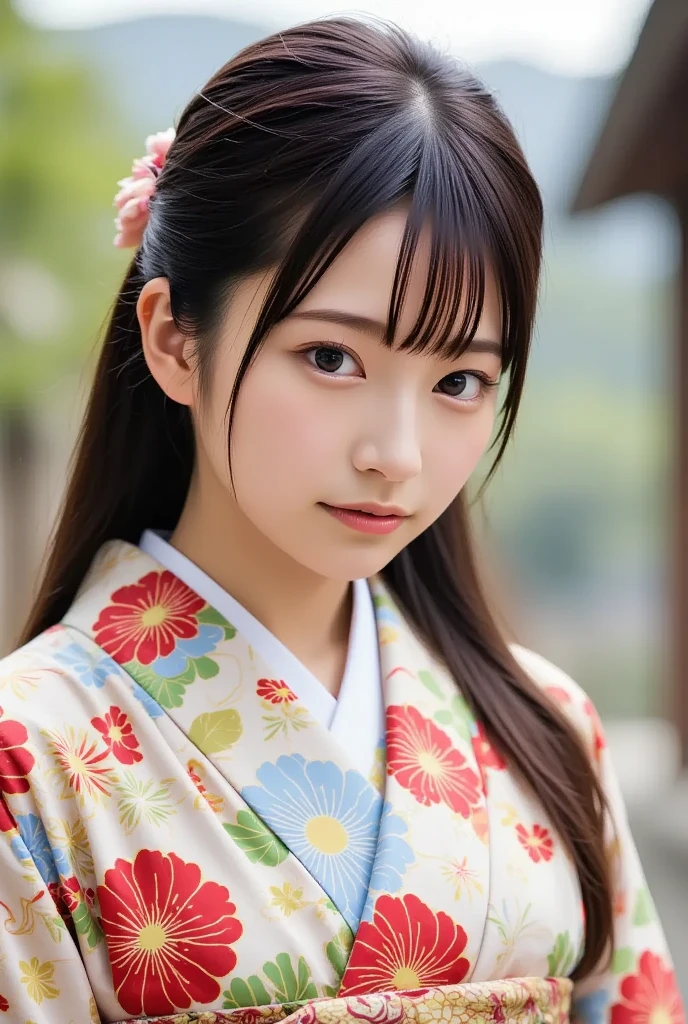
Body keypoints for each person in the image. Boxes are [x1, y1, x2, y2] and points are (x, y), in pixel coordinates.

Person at [0, 17, 681, 1024]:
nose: (395, 453)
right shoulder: (31, 755)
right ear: (175, 339)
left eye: (458, 378)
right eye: (330, 357)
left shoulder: (548, 727)